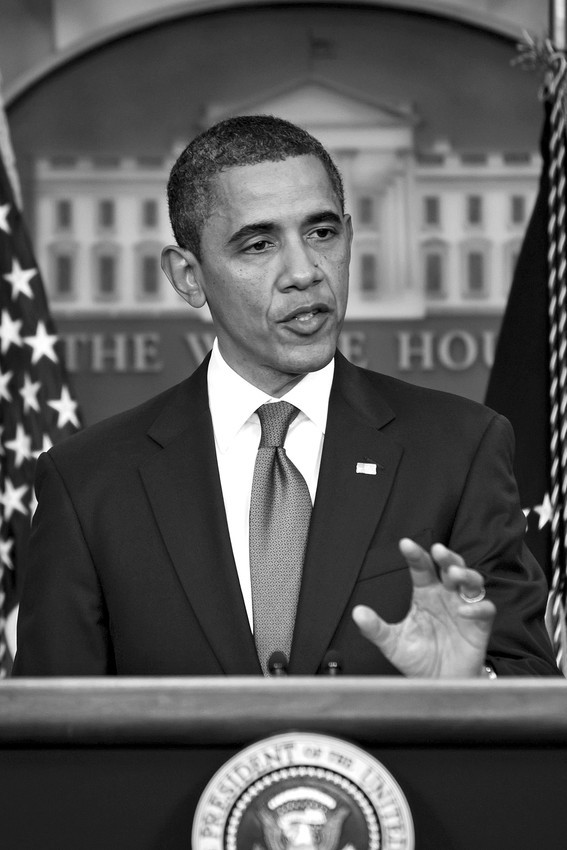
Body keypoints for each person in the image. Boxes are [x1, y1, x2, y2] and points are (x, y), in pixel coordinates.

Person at [12, 115, 558, 677]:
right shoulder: (88, 483)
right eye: (259, 244)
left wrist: (470, 687)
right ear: (188, 276)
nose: (304, 272)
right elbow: (51, 740)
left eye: (322, 234)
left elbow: (534, 692)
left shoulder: (460, 450)